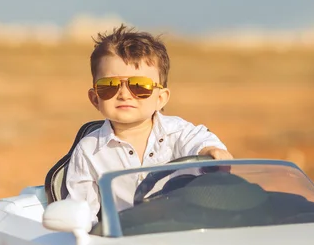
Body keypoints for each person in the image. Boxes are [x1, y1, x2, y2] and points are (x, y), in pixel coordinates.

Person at [65, 24, 233, 223]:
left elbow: (200, 140)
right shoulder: (88, 150)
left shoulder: (178, 132)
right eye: (109, 86)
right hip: (125, 242)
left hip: (186, 234)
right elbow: (81, 214)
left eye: (140, 86)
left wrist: (211, 151)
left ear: (161, 98)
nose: (124, 94)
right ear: (95, 99)